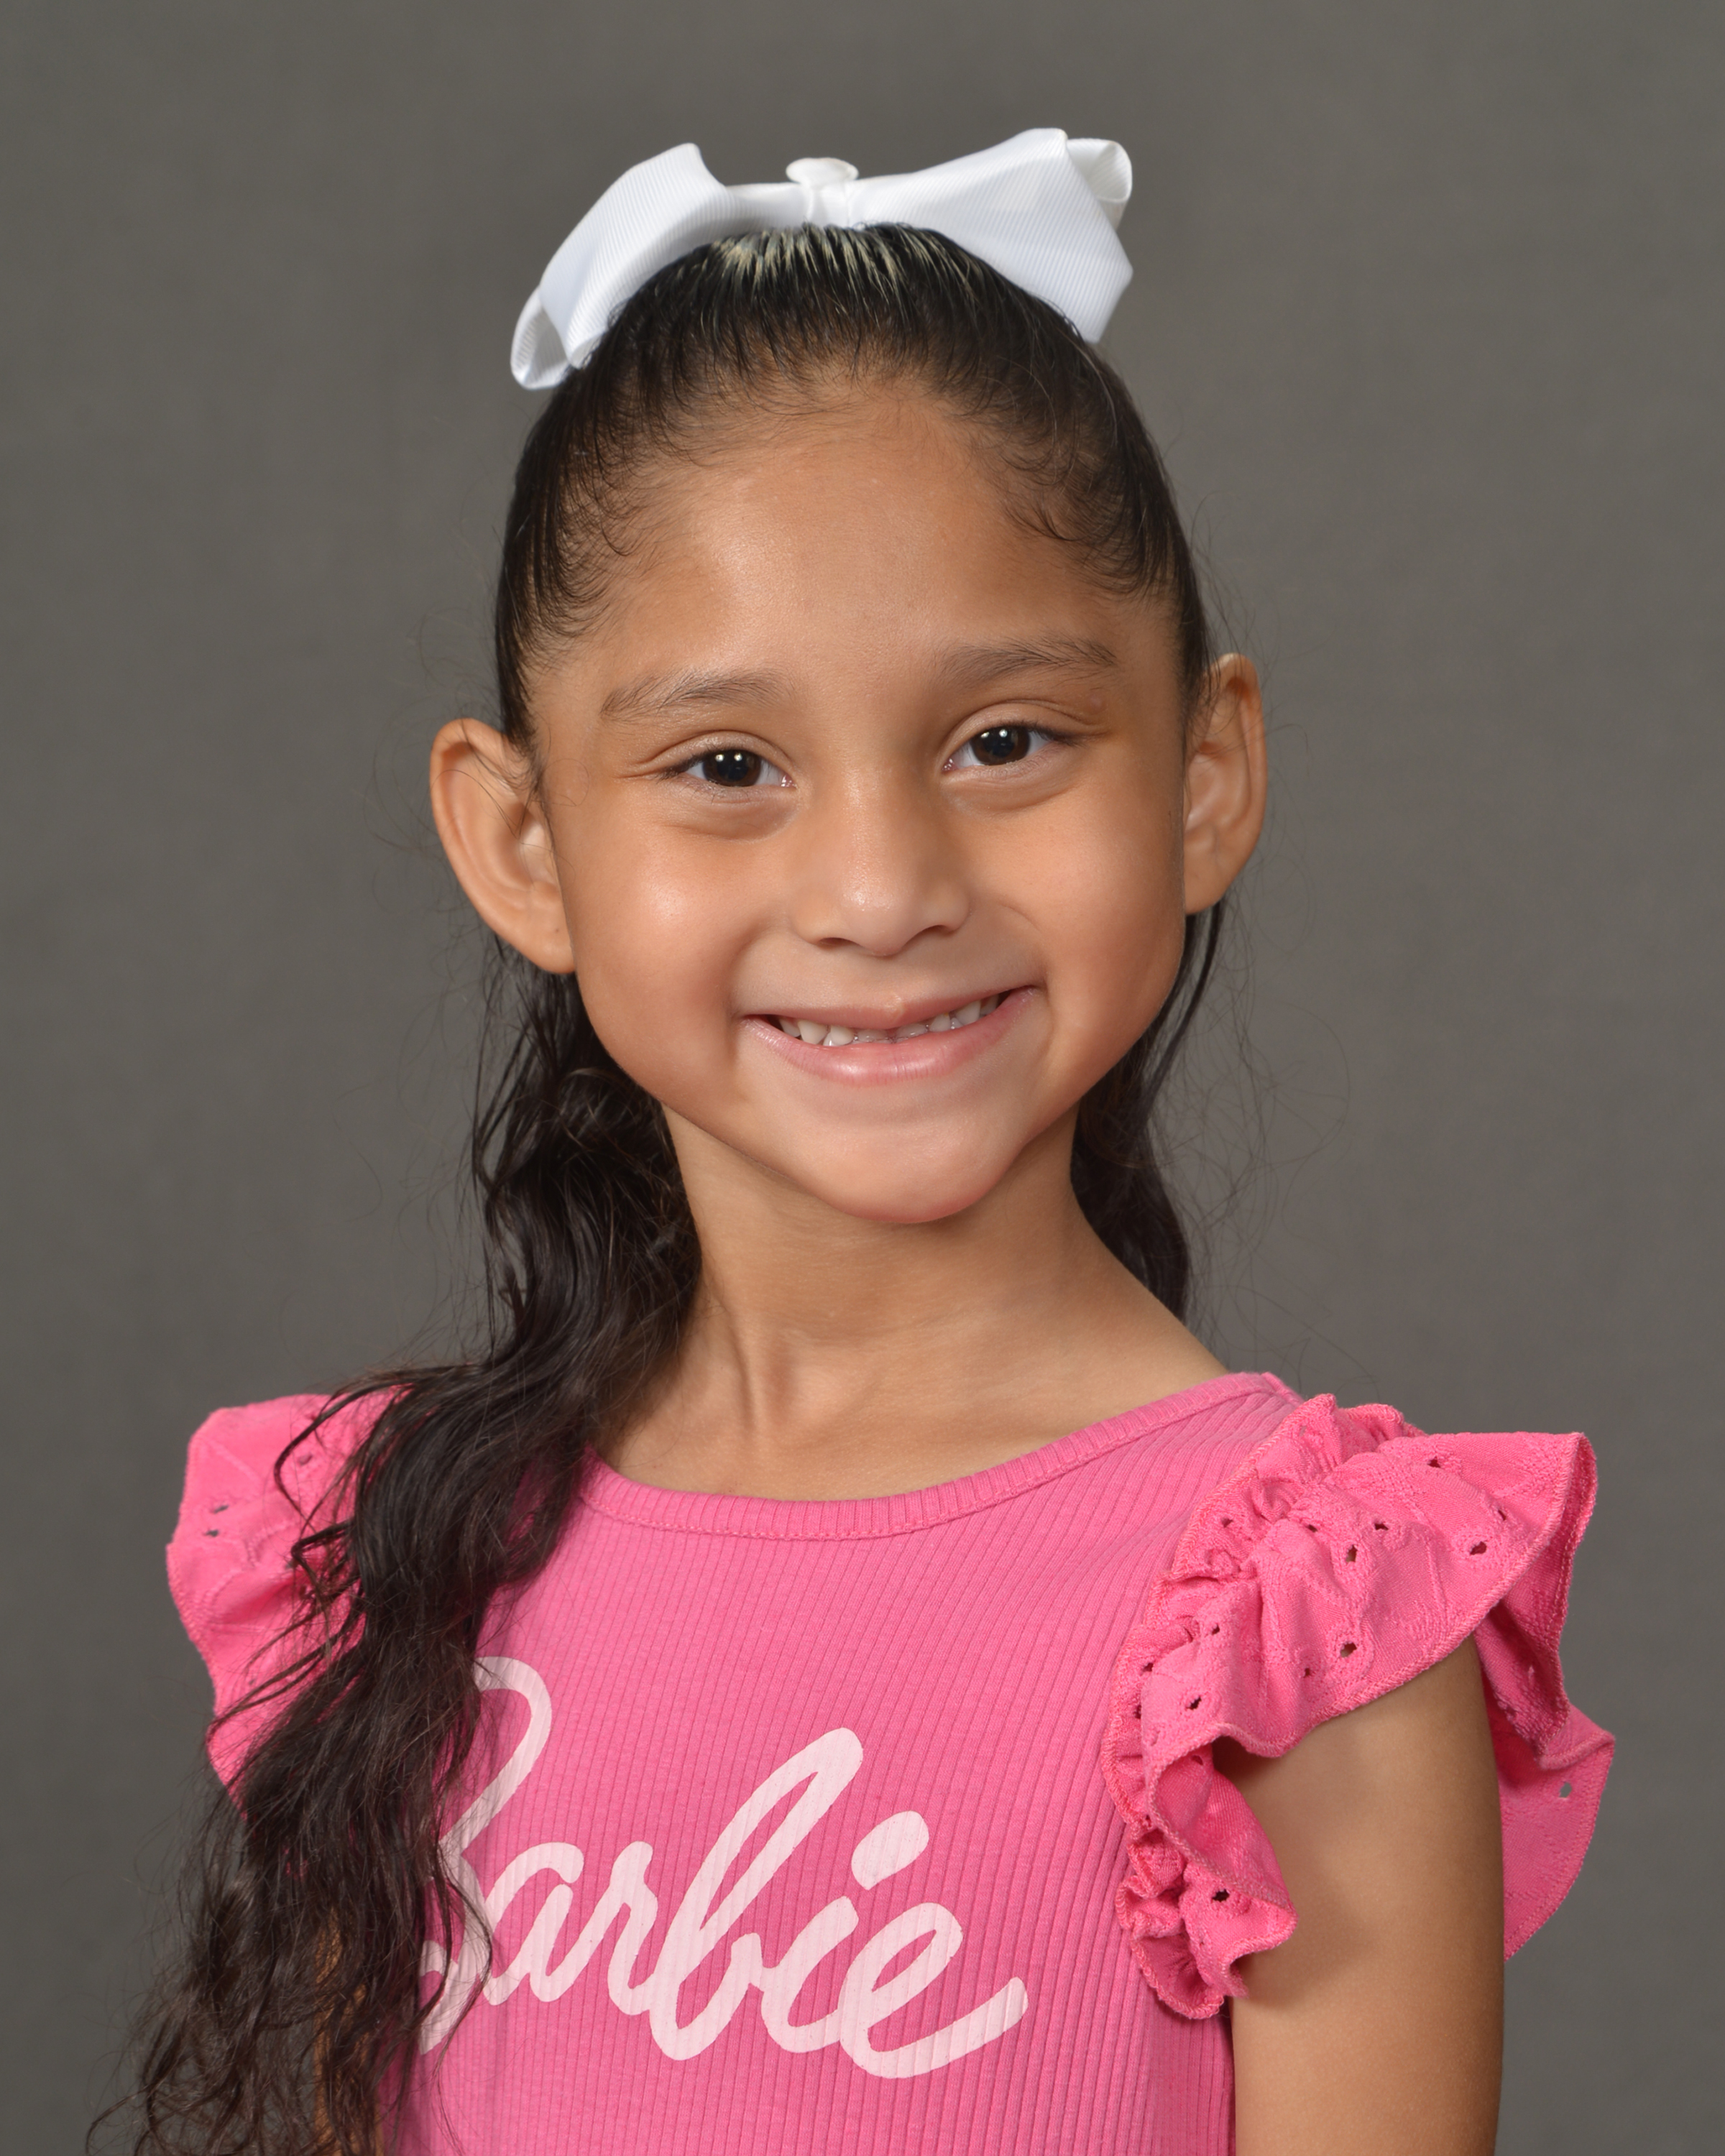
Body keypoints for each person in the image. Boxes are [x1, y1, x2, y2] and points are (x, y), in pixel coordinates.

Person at [134, 133, 1611, 2156]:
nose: (880, 887)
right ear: (524, 840)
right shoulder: (385, 1565)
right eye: (728, 765)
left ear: (1204, 775)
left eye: (1005, 742)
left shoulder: (1294, 1633)